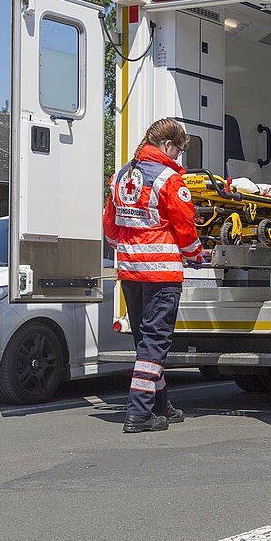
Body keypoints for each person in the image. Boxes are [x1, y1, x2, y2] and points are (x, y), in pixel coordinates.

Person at [103, 118, 205, 433]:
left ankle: (161, 406)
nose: (177, 158)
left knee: (144, 341)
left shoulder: (121, 176)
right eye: (177, 151)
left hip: (130, 271)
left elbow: (110, 226)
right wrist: (196, 256)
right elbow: (185, 229)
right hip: (161, 273)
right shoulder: (169, 180)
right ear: (166, 145)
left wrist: (129, 250)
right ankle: (138, 413)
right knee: (155, 343)